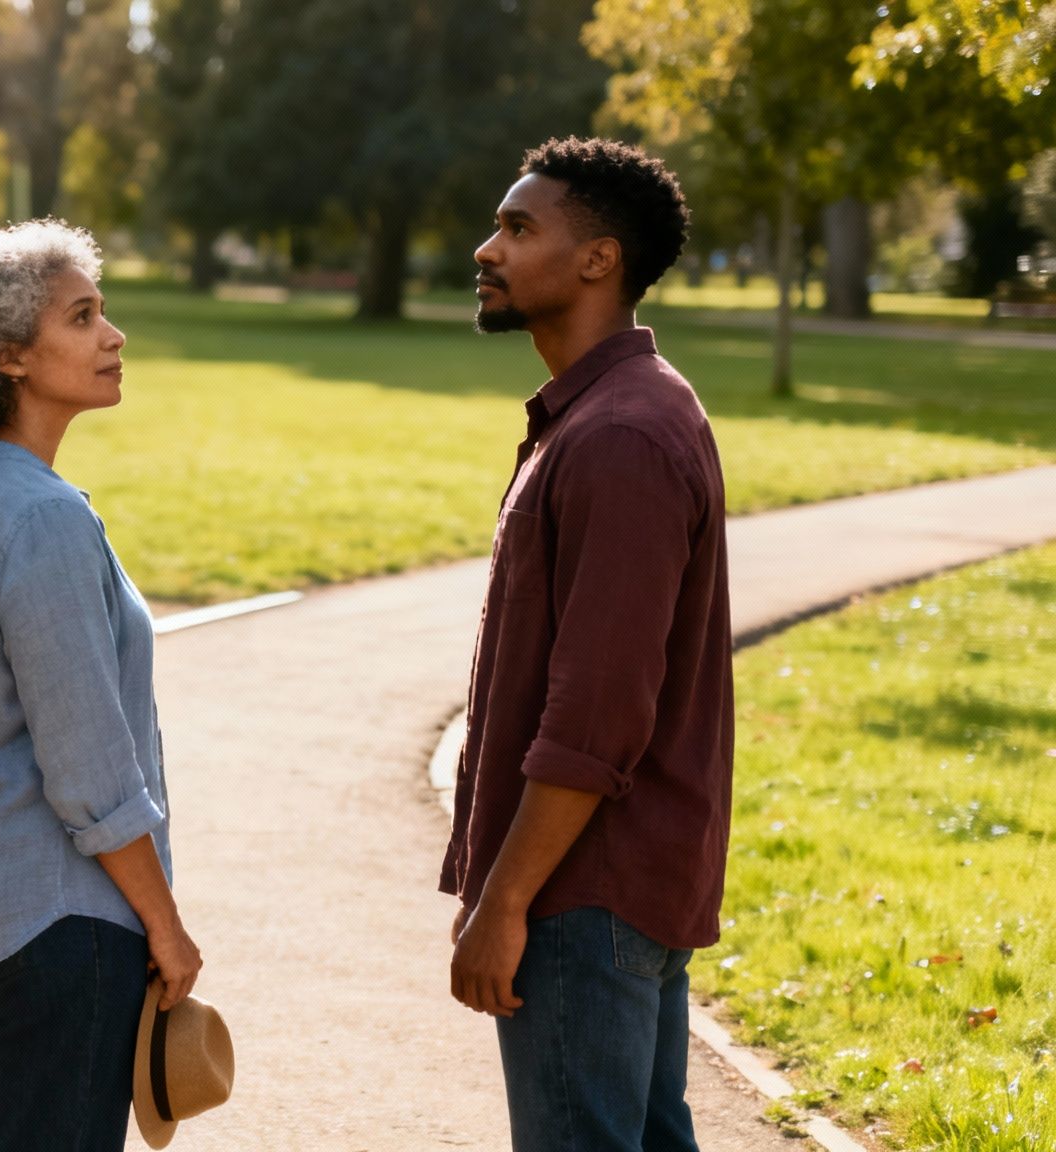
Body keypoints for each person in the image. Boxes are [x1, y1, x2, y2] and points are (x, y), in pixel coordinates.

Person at [0, 220, 204, 1152]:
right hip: (61, 926)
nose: (115, 336)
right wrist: (166, 929)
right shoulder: (42, 518)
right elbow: (91, 770)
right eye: (84, 316)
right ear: (10, 355)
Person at [441, 137, 731, 1152]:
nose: (487, 248)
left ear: (597, 259)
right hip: (610, 885)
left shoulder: (618, 436)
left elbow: (598, 712)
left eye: (518, 229)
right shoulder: (611, 414)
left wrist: (503, 902)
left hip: (583, 893)